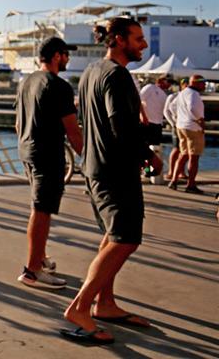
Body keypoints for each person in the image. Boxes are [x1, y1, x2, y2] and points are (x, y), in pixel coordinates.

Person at [61, 17, 163, 345]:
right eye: (138, 39)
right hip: (115, 171)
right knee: (126, 238)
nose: (143, 45)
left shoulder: (92, 71)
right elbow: (122, 129)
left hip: (95, 167)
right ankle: (79, 307)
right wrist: (151, 142)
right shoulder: (117, 77)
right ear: (118, 39)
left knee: (112, 236)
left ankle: (104, 304)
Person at [15, 36, 83, 290]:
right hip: (47, 154)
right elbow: (73, 131)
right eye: (66, 54)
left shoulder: (27, 81)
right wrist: (88, 159)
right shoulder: (59, 86)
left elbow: (18, 122)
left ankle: (40, 258)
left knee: (39, 207)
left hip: (28, 151)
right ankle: (32, 270)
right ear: (56, 56)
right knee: (42, 211)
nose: (68, 59)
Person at [170, 74, 207, 193]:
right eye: (203, 82)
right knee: (194, 158)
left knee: (183, 154)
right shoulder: (194, 94)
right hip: (193, 127)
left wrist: (178, 119)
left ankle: (174, 180)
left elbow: (172, 106)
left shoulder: (182, 92)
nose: (205, 84)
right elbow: (192, 108)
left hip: (181, 126)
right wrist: (200, 121)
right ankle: (190, 185)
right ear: (196, 82)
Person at [139, 75, 171, 162]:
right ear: (160, 81)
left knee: (154, 149)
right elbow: (138, 101)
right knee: (143, 149)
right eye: (168, 82)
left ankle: (148, 171)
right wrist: (143, 116)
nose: (169, 84)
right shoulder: (150, 88)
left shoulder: (164, 95)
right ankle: (142, 170)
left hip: (157, 125)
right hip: (146, 123)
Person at [162, 78, 187, 181]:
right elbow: (166, 111)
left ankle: (181, 171)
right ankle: (171, 172)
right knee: (176, 149)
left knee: (185, 150)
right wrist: (173, 123)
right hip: (177, 125)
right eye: (184, 84)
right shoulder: (173, 96)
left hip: (185, 126)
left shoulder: (187, 96)